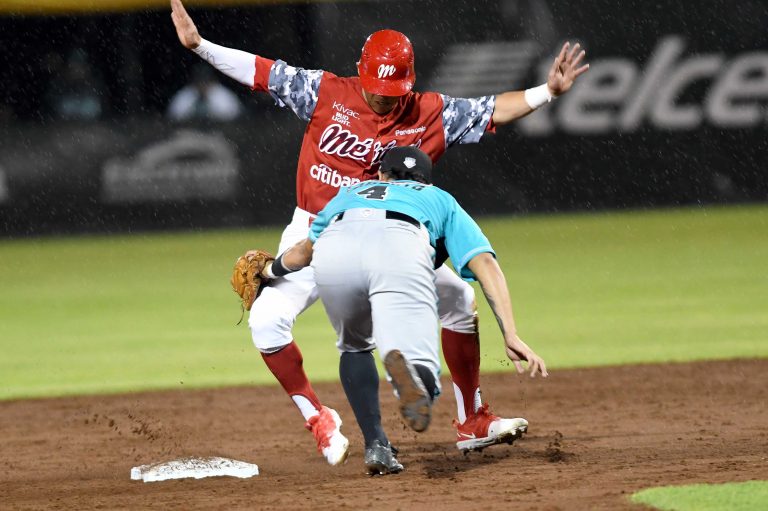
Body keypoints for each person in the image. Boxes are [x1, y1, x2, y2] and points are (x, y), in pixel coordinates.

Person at [170, 0, 586, 466]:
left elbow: (494, 108)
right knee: (267, 323)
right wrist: (200, 46)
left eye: (394, 88)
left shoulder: (430, 113)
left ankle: (471, 419)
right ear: (359, 72)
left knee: (460, 302)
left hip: (392, 237)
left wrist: (548, 91)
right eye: (376, 87)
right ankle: (319, 417)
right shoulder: (324, 91)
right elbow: (263, 71)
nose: (384, 97)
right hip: (317, 230)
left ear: (409, 80)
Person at [254, 146, 548, 474]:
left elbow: (303, 254)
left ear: (380, 175)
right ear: (424, 180)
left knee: (354, 346)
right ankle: (417, 379)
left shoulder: (348, 192)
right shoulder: (437, 197)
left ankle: (376, 444)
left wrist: (268, 272)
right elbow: (485, 263)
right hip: (400, 243)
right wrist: (510, 332)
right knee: (420, 350)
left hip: (335, 250)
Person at [167, 64, 243, 122]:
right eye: (199, 81)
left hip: (220, 134)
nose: (202, 85)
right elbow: (174, 116)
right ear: (194, 81)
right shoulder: (185, 96)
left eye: (205, 81)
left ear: (212, 80)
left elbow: (234, 115)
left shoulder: (224, 96)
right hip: (188, 133)